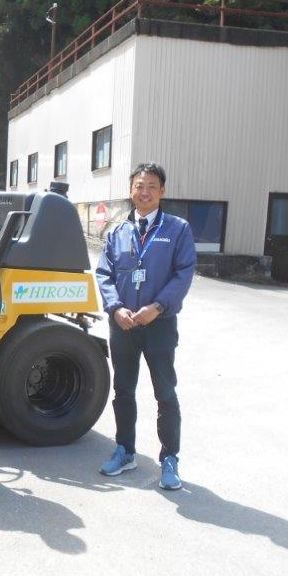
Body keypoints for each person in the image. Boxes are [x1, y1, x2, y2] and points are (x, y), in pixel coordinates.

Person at [95, 162, 196, 490]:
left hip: (159, 324)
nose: (145, 192)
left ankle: (170, 458)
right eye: (139, 186)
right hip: (123, 325)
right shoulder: (118, 232)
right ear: (131, 190)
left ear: (162, 191)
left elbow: (184, 272)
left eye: (152, 186)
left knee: (164, 392)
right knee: (123, 390)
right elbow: (104, 274)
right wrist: (115, 308)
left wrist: (158, 306)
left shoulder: (177, 229)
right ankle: (125, 451)